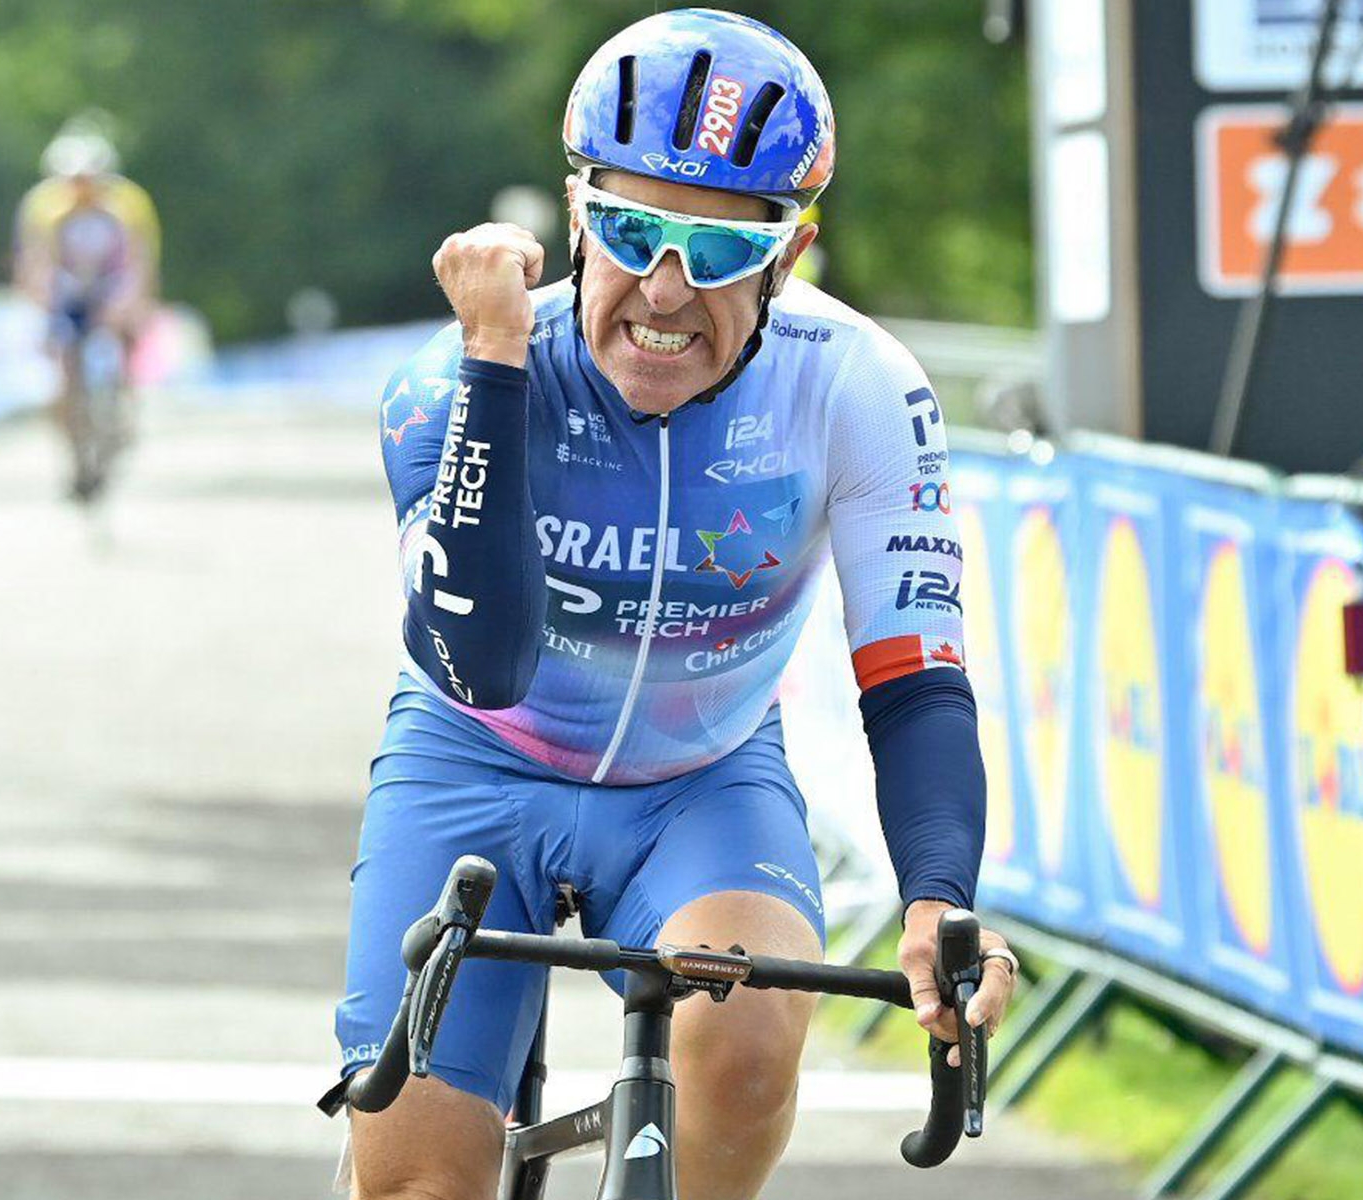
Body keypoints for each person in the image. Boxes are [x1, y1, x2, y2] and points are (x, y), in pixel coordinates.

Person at [338, 11, 1019, 1199]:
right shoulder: (452, 381)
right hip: (473, 757)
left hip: (699, 780)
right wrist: (497, 366)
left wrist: (938, 900)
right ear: (576, 214)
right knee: (420, 1187)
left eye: (716, 252)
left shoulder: (856, 386)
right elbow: (480, 661)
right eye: (632, 231)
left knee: (751, 1040)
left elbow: (915, 682)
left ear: (790, 254)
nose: (665, 291)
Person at [12, 118, 161, 500]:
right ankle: (75, 455)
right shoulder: (45, 210)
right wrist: (43, 311)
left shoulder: (125, 209)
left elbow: (139, 265)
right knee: (63, 371)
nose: (82, 190)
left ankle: (122, 411)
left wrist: (131, 306)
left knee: (121, 339)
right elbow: (35, 265)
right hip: (68, 293)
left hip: (112, 287)